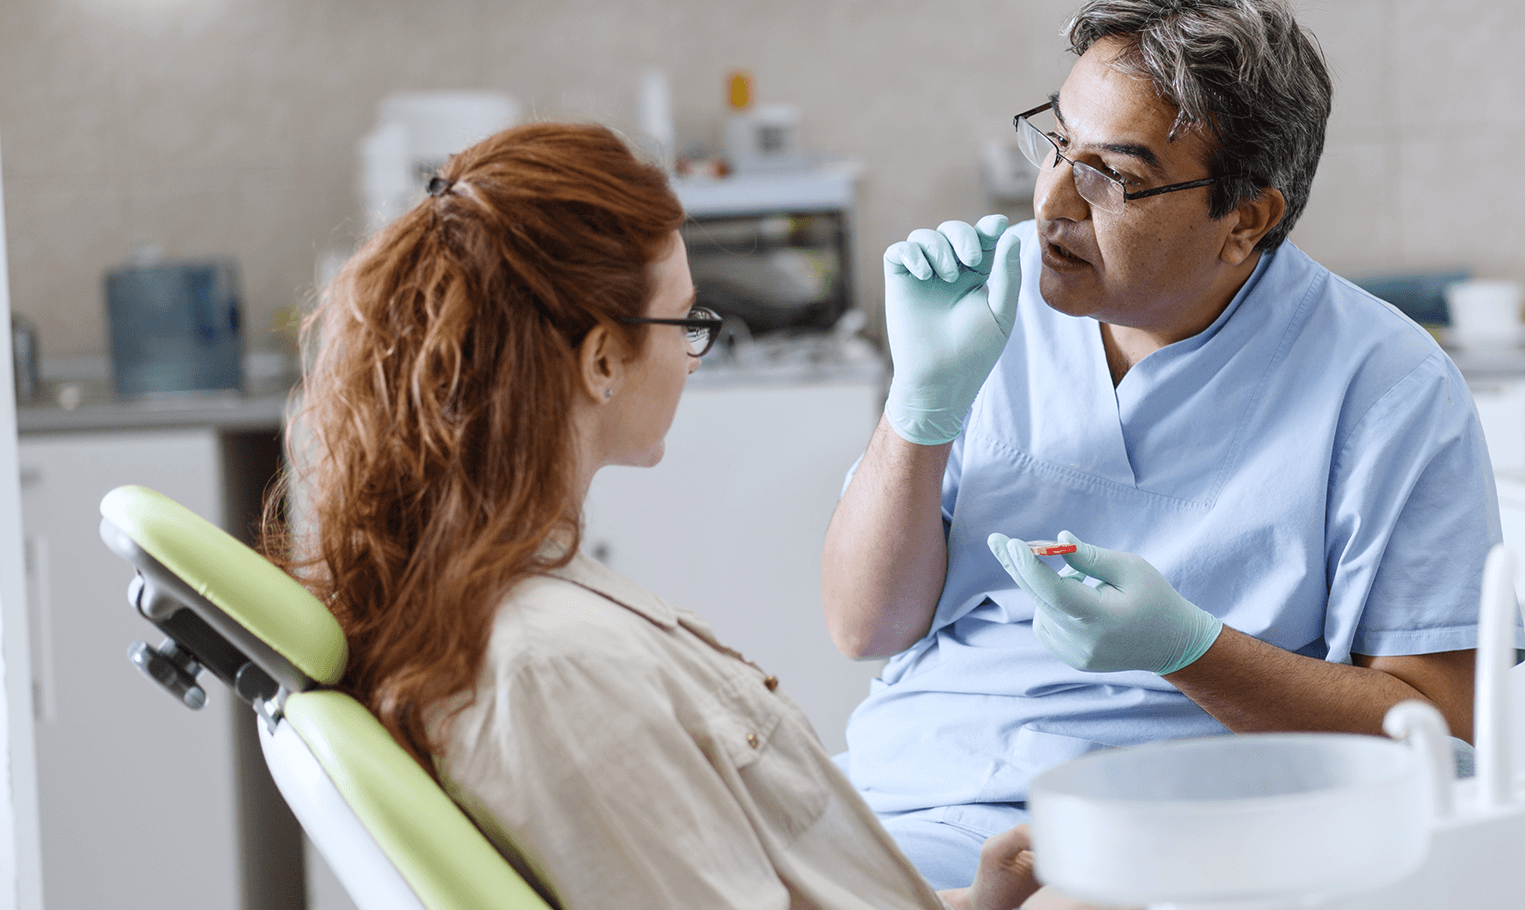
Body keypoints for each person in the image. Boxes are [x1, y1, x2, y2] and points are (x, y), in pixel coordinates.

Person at [821, 0, 1521, 889]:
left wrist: (1189, 649)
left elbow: (1440, 737)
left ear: (1245, 220)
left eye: (1112, 176)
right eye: (1057, 143)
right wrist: (918, 410)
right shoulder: (992, 308)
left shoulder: (1386, 386)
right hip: (901, 800)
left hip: (1156, 838)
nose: (1053, 200)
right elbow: (863, 626)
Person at [268, 121, 1045, 910]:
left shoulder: (507, 602)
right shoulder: (555, 668)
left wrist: (975, 902)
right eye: (686, 322)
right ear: (602, 360)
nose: (694, 356)